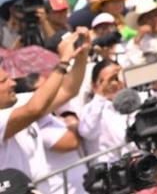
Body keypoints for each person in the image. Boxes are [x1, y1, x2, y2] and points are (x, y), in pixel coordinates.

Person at [0, 30, 91, 178]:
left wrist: (81, 55)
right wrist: (63, 61)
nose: (13, 83)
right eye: (3, 81)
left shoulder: (20, 102)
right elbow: (34, 109)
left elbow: (67, 90)